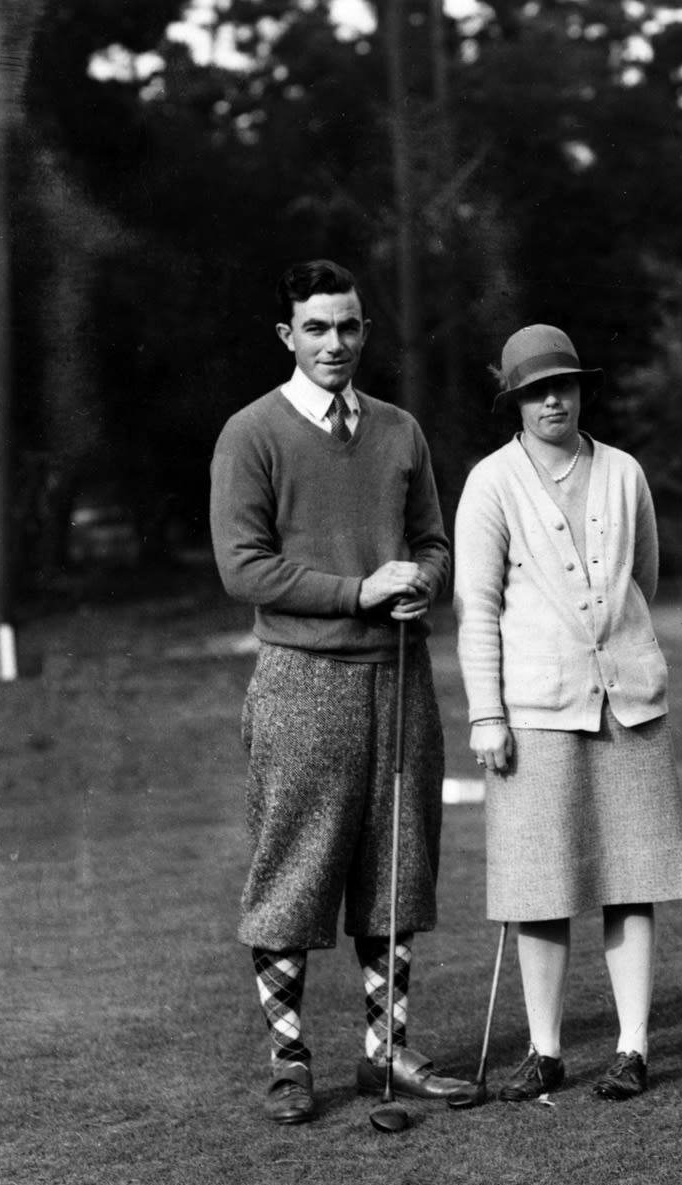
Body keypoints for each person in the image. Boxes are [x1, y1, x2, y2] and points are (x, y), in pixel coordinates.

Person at [210, 258, 469, 1125]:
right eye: (317, 327)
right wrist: (356, 590)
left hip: (400, 678)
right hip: (302, 677)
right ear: (288, 335)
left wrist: (425, 580)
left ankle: (385, 1053)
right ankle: (289, 1058)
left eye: (349, 325)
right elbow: (243, 566)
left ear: (365, 329)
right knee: (294, 868)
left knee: (396, 871)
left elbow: (433, 540)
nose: (335, 342)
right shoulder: (252, 433)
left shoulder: (399, 430)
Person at [453, 324, 682, 1103]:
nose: (551, 399)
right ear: (513, 401)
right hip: (534, 710)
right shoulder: (490, 482)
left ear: (583, 386)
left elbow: (642, 577)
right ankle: (546, 1047)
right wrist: (487, 713)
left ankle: (631, 1046)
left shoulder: (623, 471)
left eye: (563, 383)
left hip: (629, 703)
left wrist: (613, 653)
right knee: (539, 885)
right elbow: (476, 608)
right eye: (534, 389)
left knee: (632, 876)